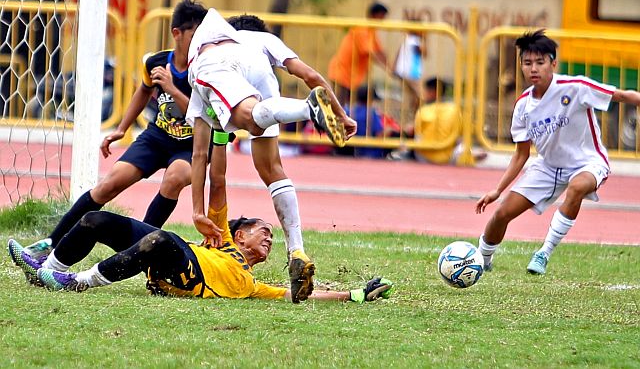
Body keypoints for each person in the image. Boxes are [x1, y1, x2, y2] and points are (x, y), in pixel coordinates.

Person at [8, 144, 393, 304]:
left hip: (183, 273)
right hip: (178, 254)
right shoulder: (223, 241)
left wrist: (353, 295)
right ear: (239, 235)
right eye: (266, 231)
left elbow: (301, 295)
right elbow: (219, 181)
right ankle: (49, 270)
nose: (271, 239)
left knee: (161, 239)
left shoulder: (252, 284)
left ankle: (77, 282)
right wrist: (223, 136)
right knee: (96, 220)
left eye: (273, 237)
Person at [18, 0, 208, 270]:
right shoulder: (156, 61)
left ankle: (140, 251)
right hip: (158, 137)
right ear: (177, 33)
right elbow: (144, 90)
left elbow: (201, 116)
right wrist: (121, 128)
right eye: (195, 33)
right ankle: (48, 244)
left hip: (192, 146)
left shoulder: (205, 69)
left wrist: (173, 89)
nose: (201, 40)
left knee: (174, 178)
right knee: (108, 185)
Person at [186, 8, 356, 302]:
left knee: (250, 119)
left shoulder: (208, 58)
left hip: (219, 66)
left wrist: (198, 212)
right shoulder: (265, 40)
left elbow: (200, 155)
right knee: (271, 169)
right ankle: (296, 249)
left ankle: (306, 109)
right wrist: (342, 114)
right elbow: (311, 75)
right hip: (260, 71)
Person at [475, 29, 640, 275]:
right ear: (521, 66)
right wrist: (498, 190)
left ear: (553, 63)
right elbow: (521, 154)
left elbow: (620, 95)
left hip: (588, 163)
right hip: (548, 167)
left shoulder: (575, 87)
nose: (534, 69)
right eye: (527, 63)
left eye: (540, 63)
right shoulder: (523, 106)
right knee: (501, 214)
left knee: (576, 188)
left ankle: (544, 253)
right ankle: (481, 261)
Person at [328, 2, 393, 106]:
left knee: (345, 105)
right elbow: (369, 52)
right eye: (382, 17)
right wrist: (387, 68)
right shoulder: (362, 29)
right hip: (341, 72)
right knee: (338, 105)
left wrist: (390, 66)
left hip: (351, 76)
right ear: (374, 15)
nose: (383, 21)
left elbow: (379, 51)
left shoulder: (371, 31)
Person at [412, 77, 462, 164]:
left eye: (425, 91)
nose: (423, 94)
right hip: (448, 157)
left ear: (433, 93)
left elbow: (418, 138)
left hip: (424, 157)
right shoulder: (455, 110)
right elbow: (459, 138)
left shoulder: (423, 111)